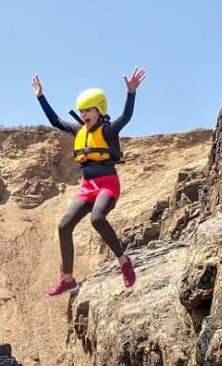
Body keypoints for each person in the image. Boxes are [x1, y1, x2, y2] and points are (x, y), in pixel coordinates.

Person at [32, 68, 146, 297]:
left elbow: (126, 117)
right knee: (64, 226)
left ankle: (124, 261)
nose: (84, 114)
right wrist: (41, 97)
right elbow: (55, 121)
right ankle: (68, 280)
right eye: (82, 110)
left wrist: (131, 94)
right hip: (87, 186)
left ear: (100, 110)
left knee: (97, 218)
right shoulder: (79, 130)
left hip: (107, 184)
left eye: (89, 110)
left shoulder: (109, 130)